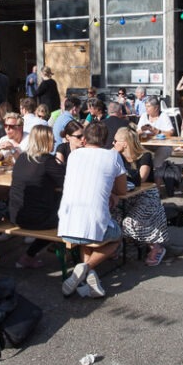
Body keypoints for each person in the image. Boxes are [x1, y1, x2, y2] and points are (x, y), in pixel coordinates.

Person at [58, 122, 127, 298]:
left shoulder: (74, 155)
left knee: (86, 238)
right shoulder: (112, 156)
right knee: (117, 238)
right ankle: (86, 267)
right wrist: (110, 191)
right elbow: (123, 190)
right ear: (105, 140)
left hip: (66, 227)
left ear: (85, 138)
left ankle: (89, 278)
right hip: (93, 225)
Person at [9, 125, 65, 269]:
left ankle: (30, 255)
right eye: (52, 138)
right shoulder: (47, 161)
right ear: (46, 140)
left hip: (15, 215)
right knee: (67, 216)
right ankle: (29, 255)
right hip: (36, 219)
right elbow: (67, 183)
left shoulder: (22, 157)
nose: (54, 141)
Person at [113, 127, 169, 266]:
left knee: (130, 223)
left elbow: (141, 179)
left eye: (115, 141)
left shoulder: (145, 156)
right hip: (125, 195)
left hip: (146, 195)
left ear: (124, 143)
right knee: (111, 215)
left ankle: (156, 247)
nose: (112, 143)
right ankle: (116, 245)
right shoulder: (117, 156)